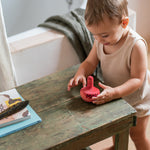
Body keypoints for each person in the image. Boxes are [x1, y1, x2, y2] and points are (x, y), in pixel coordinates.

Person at [67, 0, 150, 149]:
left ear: (124, 23)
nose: (98, 40)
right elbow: (90, 63)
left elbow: (137, 79)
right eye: (94, 35)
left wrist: (115, 92)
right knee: (117, 133)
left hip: (137, 99)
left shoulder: (136, 45)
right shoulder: (101, 41)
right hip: (113, 97)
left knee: (137, 135)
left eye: (104, 35)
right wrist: (81, 73)